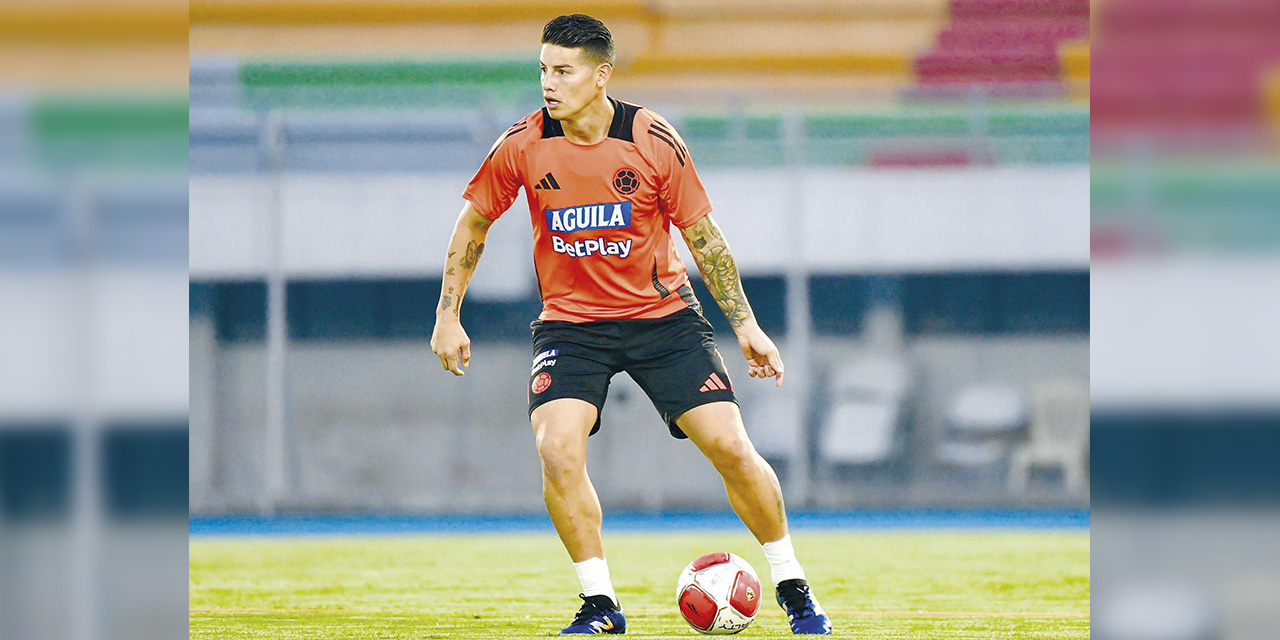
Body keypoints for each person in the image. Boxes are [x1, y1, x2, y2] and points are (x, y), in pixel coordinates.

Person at [430, 14, 832, 636]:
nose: (549, 82)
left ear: (601, 76)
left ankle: (794, 587)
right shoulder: (522, 143)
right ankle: (600, 605)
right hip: (572, 326)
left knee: (730, 446)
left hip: (663, 319)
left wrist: (747, 326)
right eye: (543, 69)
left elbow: (703, 237)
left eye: (563, 71)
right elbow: (474, 221)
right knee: (556, 447)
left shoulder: (652, 140)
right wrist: (447, 314)